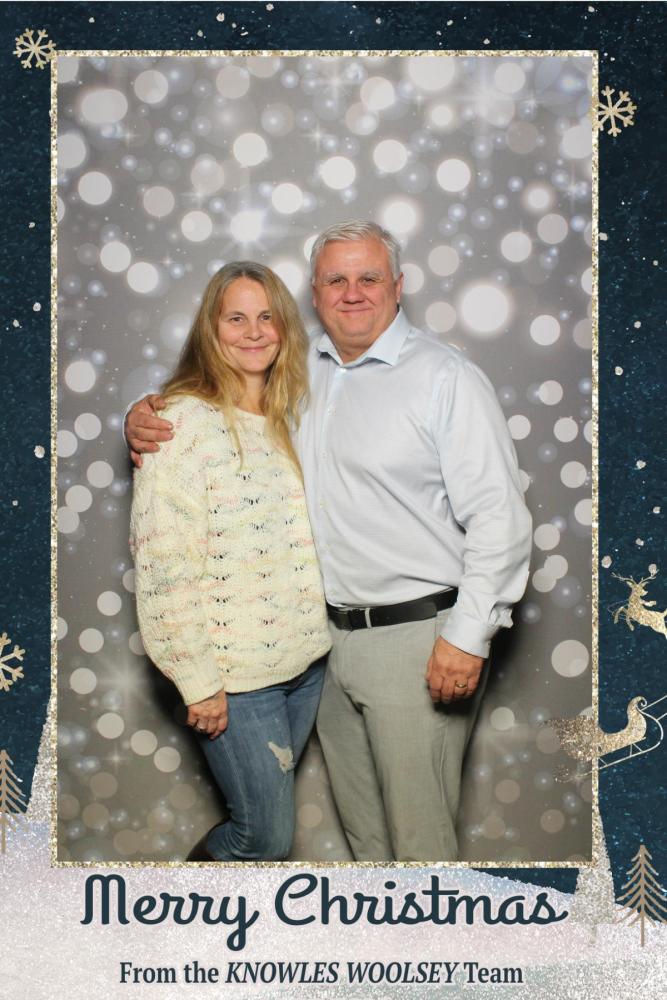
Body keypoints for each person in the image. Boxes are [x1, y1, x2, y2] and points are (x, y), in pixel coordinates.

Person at [127, 221, 532, 863]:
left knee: (419, 842)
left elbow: (500, 517)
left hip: (418, 638)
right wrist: (146, 414)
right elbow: (212, 414)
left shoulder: (444, 378)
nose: (352, 292)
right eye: (335, 279)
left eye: (369, 277)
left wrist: (468, 635)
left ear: (398, 285)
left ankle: (433, 935)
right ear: (314, 294)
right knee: (364, 837)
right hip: (325, 647)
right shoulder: (297, 375)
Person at [129, 261, 331, 862]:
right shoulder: (181, 423)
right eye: (235, 318)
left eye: (266, 317)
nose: (253, 331)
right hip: (234, 680)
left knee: (266, 824)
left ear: (285, 326)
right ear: (210, 329)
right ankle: (174, 911)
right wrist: (197, 681)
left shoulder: (295, 414)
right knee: (262, 837)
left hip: (306, 663)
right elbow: (164, 565)